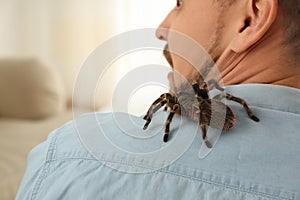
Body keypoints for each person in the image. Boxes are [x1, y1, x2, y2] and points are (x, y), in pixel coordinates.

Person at [17, 0, 300, 199]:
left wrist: (167, 129)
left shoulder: (70, 157)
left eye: (180, 3)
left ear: (250, 18)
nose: (161, 27)